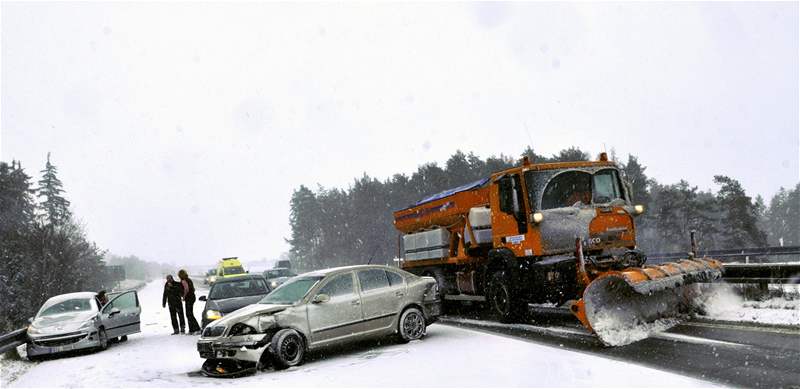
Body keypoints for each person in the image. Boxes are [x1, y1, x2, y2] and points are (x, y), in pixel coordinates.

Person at [178, 269, 201, 335]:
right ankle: (192, 329)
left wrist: (184, 297)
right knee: (189, 314)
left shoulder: (183, 280)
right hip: (192, 297)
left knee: (189, 314)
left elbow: (186, 289)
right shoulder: (188, 279)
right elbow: (192, 289)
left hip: (189, 298)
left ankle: (197, 329)